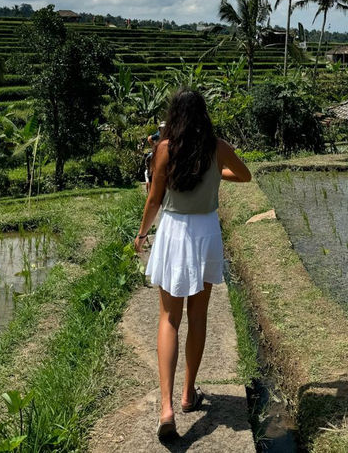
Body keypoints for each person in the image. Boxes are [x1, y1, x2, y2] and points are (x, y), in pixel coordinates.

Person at [134, 89, 251, 440]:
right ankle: (188, 394)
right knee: (198, 317)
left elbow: (154, 198)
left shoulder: (165, 149)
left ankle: (166, 408)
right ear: (203, 115)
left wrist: (141, 234)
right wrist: (216, 175)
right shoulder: (216, 147)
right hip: (205, 233)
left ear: (173, 116)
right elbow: (244, 175)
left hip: (173, 232)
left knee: (169, 318)